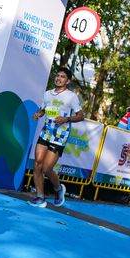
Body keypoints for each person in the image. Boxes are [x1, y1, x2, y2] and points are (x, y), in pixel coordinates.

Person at [28, 67, 84, 208]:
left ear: (68, 81)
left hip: (60, 135)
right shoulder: (47, 94)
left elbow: (80, 116)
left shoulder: (71, 97)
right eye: (57, 76)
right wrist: (38, 114)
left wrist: (66, 119)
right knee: (37, 164)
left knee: (47, 168)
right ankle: (40, 197)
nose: (58, 78)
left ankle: (59, 189)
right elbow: (43, 110)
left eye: (62, 77)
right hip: (46, 132)